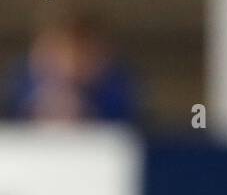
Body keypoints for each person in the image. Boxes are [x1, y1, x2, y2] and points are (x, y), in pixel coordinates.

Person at [2, 11, 139, 124]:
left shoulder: (116, 89)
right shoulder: (21, 84)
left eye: (82, 53)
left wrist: (88, 112)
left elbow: (127, 128)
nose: (70, 61)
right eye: (59, 52)